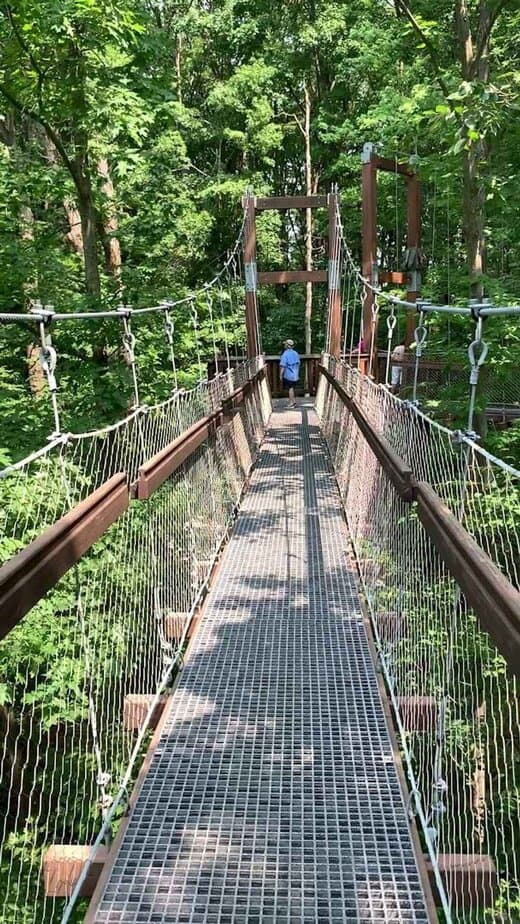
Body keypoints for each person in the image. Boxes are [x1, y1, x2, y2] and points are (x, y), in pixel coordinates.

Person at [279, 339, 300, 408]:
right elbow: (298, 363)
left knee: (290, 388)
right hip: (295, 375)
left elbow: (283, 365)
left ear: (287, 345)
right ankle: (293, 401)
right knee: (292, 388)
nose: (284, 345)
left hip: (288, 375)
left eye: (285, 344)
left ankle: (291, 403)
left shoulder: (285, 354)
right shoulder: (296, 353)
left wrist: (280, 375)